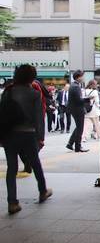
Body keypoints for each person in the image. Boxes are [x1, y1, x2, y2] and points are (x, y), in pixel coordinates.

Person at [0, 65, 52, 214]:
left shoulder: (7, 92)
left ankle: (12, 202)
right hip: (28, 133)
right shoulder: (34, 93)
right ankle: (43, 191)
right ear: (31, 77)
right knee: (35, 163)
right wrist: (40, 138)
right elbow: (38, 118)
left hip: (9, 134)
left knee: (12, 168)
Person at [66, 70, 89, 153]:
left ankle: (70, 143)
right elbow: (79, 100)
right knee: (80, 128)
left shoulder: (74, 85)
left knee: (78, 127)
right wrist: (88, 99)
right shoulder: (76, 86)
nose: (83, 78)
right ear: (78, 77)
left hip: (74, 109)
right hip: (78, 109)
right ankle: (78, 146)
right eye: (82, 76)